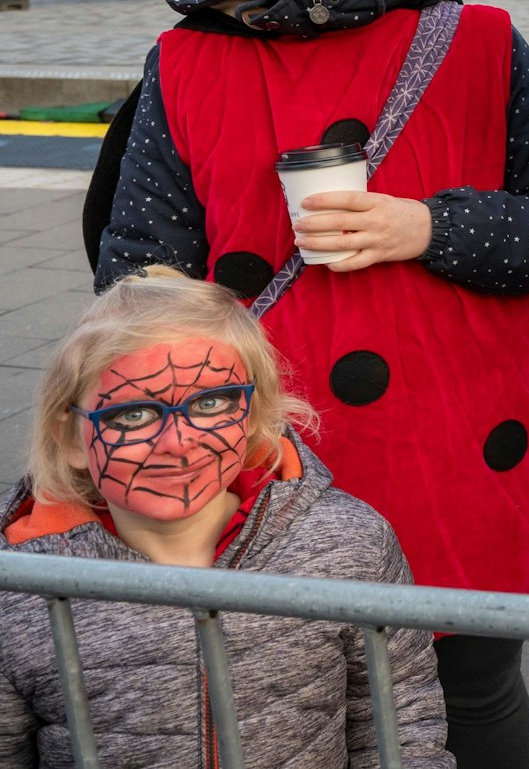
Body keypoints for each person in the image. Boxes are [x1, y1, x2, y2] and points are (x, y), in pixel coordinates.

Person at [90, 0, 529, 765]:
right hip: (271, 451)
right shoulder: (189, 60)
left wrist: (431, 227)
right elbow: (135, 265)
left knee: (472, 687)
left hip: (455, 445)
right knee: (284, 700)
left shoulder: (480, 43)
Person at [0, 271, 453, 766]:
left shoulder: (348, 546)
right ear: (69, 439)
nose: (177, 443)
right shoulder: (21, 588)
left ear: (255, 414)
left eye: (211, 403)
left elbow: (401, 719)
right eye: (133, 415)